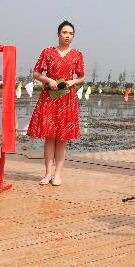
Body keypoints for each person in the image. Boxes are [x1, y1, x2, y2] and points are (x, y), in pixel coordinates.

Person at [26, 21, 85, 186]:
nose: (68, 36)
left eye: (71, 33)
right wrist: (48, 79)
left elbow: (81, 76)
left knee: (62, 138)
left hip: (67, 97)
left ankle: (57, 174)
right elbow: (36, 73)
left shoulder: (77, 54)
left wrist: (72, 82)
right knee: (49, 137)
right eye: (65, 32)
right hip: (49, 96)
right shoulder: (48, 52)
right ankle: (47, 174)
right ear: (58, 34)